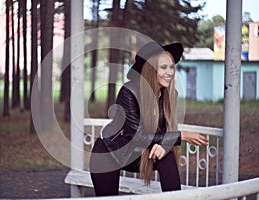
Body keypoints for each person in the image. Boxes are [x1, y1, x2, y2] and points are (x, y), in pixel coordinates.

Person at [89, 41, 209, 196]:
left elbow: (165, 131)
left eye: (172, 67)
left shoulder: (171, 95)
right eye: (164, 67)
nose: (170, 72)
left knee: (167, 155)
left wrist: (164, 145)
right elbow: (137, 137)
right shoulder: (129, 91)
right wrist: (182, 136)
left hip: (137, 155)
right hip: (109, 153)